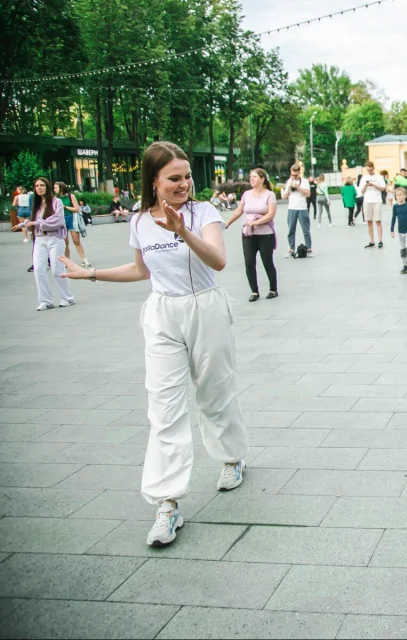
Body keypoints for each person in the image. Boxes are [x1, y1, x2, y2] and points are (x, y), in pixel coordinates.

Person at [58, 141, 249, 548]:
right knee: (163, 406)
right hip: (162, 313)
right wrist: (88, 274)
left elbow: (217, 260)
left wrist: (183, 231)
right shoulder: (140, 220)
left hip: (206, 308)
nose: (184, 184)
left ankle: (231, 457)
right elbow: (139, 270)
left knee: (214, 392)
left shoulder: (204, 213)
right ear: (154, 182)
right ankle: (167, 504)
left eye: (187, 177)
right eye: (174, 178)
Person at [225, 168, 278, 302]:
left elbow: (271, 214)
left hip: (265, 234)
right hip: (248, 233)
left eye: (254, 176)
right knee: (249, 262)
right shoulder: (246, 194)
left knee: (267, 262)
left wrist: (256, 222)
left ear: (262, 179)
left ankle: (273, 289)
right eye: (250, 177)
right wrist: (228, 222)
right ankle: (254, 291)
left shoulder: (269, 195)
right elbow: (239, 211)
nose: (251, 179)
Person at [24, 178, 74, 310]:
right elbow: (33, 221)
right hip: (40, 240)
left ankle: (67, 298)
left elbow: (57, 220)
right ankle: (46, 301)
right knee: (39, 269)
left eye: (42, 185)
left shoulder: (56, 202)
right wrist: (25, 224)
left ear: (47, 187)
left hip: (55, 239)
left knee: (57, 270)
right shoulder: (37, 204)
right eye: (37, 186)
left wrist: (37, 223)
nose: (39, 188)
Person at [55, 182, 91, 267]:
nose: (54, 189)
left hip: (72, 219)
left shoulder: (70, 196)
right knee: (65, 242)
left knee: (76, 241)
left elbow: (77, 209)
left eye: (56, 188)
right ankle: (67, 261)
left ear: (61, 188)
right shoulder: (55, 198)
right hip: (61, 220)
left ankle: (84, 259)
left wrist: (65, 207)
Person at [281, 163, 312, 258]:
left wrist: (298, 188)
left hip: (302, 208)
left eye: (296, 175)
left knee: (306, 230)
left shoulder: (305, 182)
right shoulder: (289, 182)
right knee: (291, 230)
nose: (294, 177)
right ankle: (291, 249)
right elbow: (284, 197)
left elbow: (308, 194)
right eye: (292, 175)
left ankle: (309, 248)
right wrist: (289, 187)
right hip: (292, 208)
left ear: (299, 173)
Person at [358, 161, 386, 249]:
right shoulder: (364, 178)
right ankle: (371, 240)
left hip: (377, 200)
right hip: (367, 201)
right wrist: (366, 186)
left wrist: (374, 185)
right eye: (368, 170)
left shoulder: (379, 177)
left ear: (373, 168)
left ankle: (380, 240)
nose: (369, 171)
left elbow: (383, 188)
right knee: (369, 221)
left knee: (378, 221)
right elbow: (361, 191)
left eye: (371, 170)